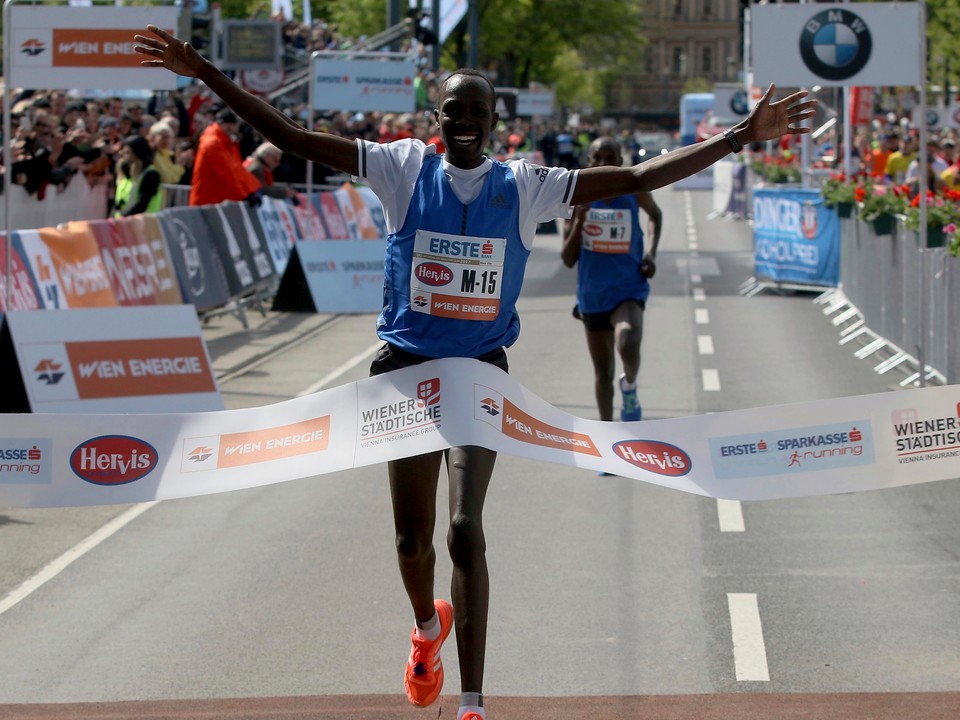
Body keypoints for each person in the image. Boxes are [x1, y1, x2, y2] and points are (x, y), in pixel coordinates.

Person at [135, 24, 816, 720]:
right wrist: (204, 72)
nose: (463, 121)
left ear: (495, 124)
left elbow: (639, 177)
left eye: (476, 112)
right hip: (404, 370)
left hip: (481, 373)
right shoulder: (403, 168)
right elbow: (297, 138)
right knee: (411, 538)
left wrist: (739, 135)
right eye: (453, 110)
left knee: (464, 527)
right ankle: (426, 629)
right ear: (437, 118)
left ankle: (473, 703)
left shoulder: (525, 186)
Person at [562, 136, 662, 426]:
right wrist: (580, 221)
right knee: (603, 373)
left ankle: (629, 386)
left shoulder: (632, 189)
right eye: (598, 157)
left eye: (611, 157)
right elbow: (568, 259)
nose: (604, 163)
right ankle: (608, 439)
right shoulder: (577, 198)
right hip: (592, 295)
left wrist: (651, 253)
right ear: (589, 162)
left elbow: (655, 215)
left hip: (629, 286)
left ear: (620, 161)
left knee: (628, 341)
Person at [188, 106, 262, 207]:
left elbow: (237, 170)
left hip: (215, 201)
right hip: (207, 202)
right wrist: (245, 195)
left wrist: (252, 189)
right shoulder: (214, 143)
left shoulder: (225, 142)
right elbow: (227, 173)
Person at [113, 134, 163, 217]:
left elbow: (142, 203)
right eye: (124, 152)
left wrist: (124, 217)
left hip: (143, 223)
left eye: (128, 153)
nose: (124, 156)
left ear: (138, 153)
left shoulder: (150, 174)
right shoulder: (127, 173)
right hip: (124, 222)